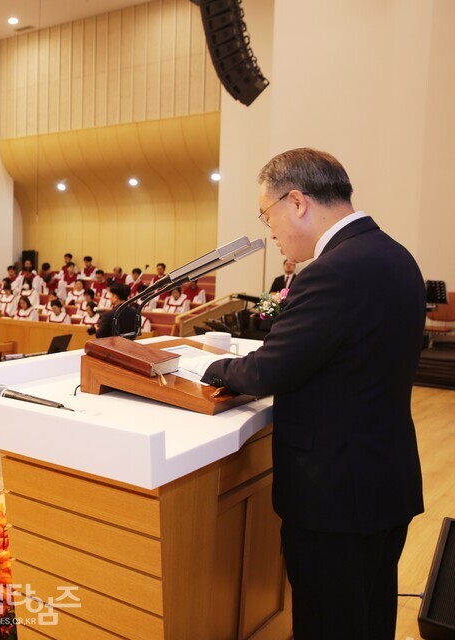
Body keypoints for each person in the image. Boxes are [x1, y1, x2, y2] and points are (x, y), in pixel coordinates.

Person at [194, 148, 425, 640]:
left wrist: (210, 368)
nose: (270, 229)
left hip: (335, 495)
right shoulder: (396, 256)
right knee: (371, 618)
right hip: (386, 479)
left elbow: (271, 369)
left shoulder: (333, 269)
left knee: (329, 625)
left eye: (267, 214)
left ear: (296, 201)